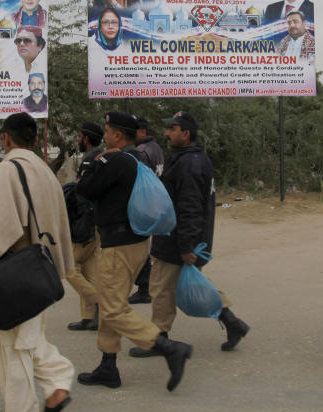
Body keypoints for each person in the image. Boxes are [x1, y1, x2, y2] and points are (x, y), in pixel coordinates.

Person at [0, 114, 75, 412]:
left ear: (6, 139)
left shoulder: (6, 170)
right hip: (41, 270)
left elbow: (1, 229)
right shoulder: (43, 169)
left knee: (12, 347)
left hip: (16, 273)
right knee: (28, 339)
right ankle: (57, 385)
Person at [75, 112, 194, 392]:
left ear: (117, 135)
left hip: (118, 245)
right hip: (137, 242)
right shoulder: (138, 159)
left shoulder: (113, 160)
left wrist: (93, 165)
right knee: (110, 304)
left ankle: (168, 347)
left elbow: (86, 190)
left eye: (106, 132)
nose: (103, 137)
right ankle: (108, 366)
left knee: (113, 309)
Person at [129, 111, 250, 357]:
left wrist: (186, 247)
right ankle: (233, 323)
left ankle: (157, 339)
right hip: (178, 237)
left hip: (178, 239)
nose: (166, 133)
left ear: (186, 133)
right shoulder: (186, 158)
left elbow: (191, 208)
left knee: (161, 287)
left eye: (172, 129)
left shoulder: (189, 164)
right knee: (192, 284)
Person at [65, 122, 104, 331]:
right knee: (90, 269)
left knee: (68, 268)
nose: (78, 140)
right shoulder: (96, 156)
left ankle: (98, 302)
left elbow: (85, 195)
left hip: (86, 221)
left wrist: (80, 226)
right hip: (93, 221)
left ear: (86, 139)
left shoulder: (92, 160)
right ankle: (89, 317)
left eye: (79, 137)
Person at [127, 115, 167, 304]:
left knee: (141, 247)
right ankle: (147, 285)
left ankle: (144, 288)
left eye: (133, 131)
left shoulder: (141, 151)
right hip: (155, 202)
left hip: (144, 203)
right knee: (146, 246)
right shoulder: (156, 148)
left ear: (142, 132)